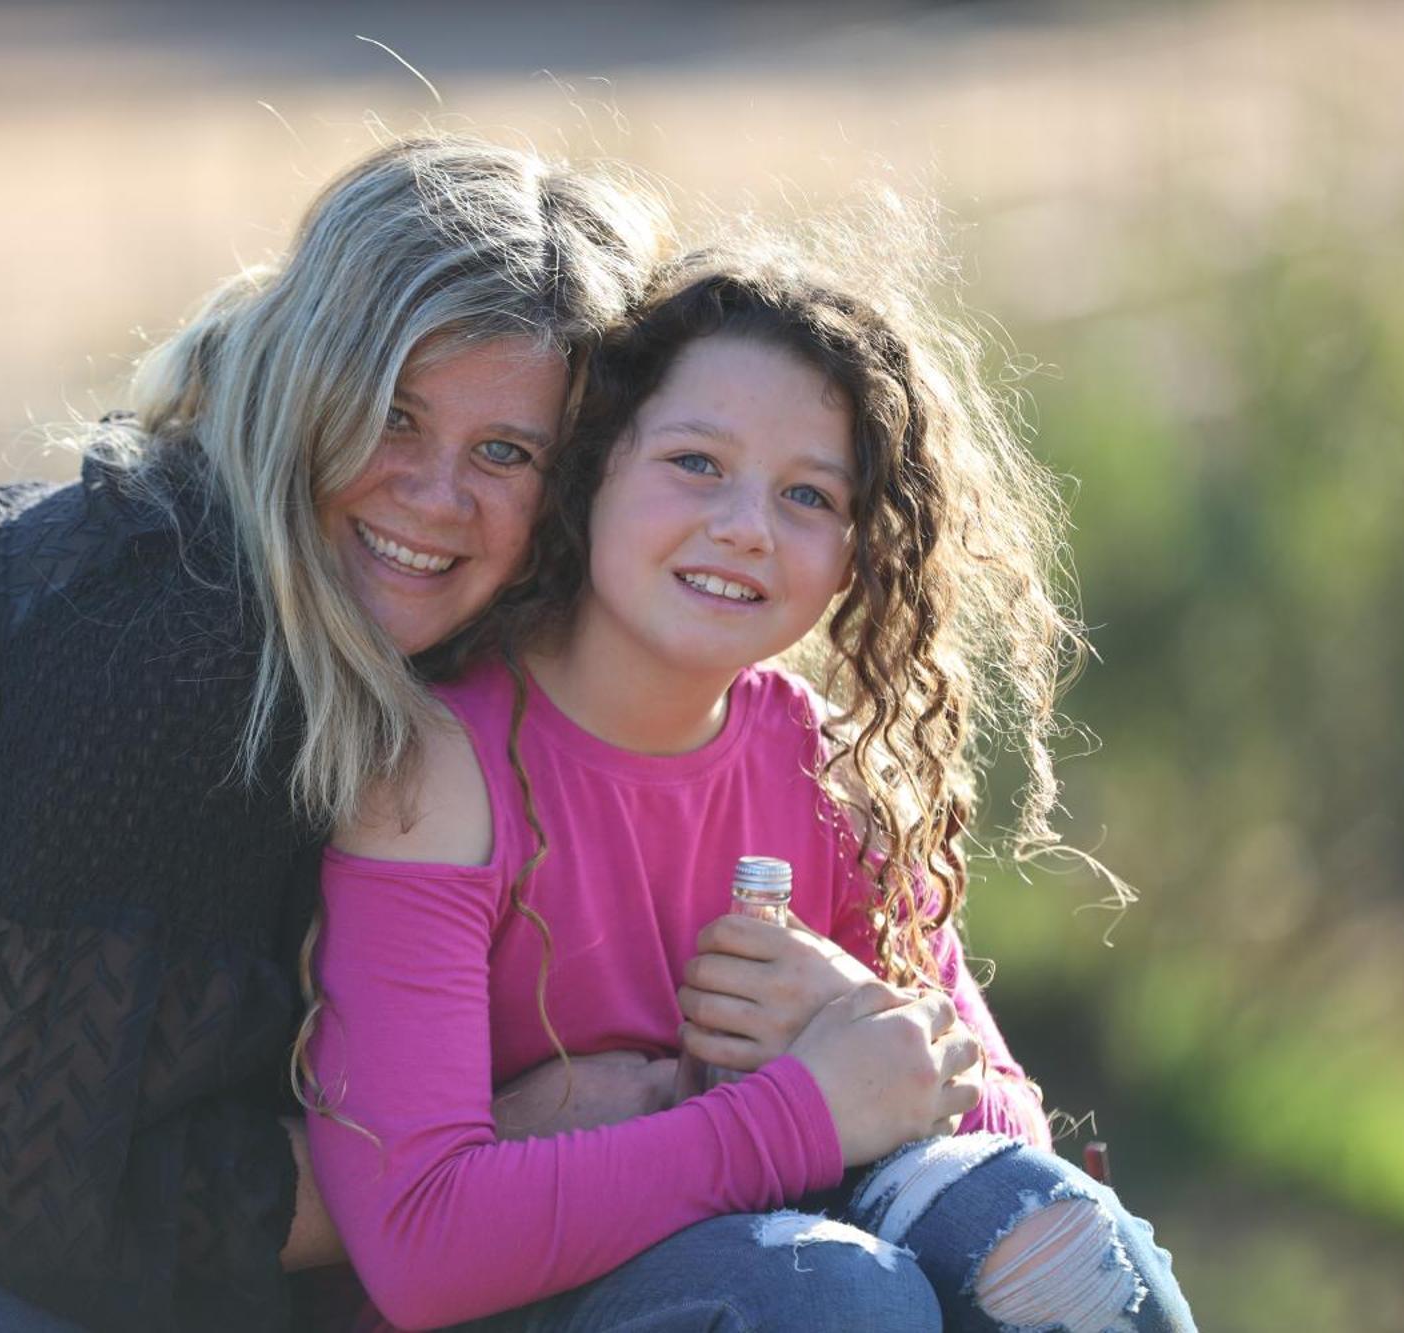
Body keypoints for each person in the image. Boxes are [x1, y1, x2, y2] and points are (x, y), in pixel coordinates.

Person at [0, 135, 671, 1332]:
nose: (436, 491)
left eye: (505, 453)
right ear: (299, 380)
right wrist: (510, 1138)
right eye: (389, 414)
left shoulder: (424, 656)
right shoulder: (170, 635)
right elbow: (41, 1207)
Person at [305, 250, 1197, 1331]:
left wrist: (847, 1016)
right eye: (694, 462)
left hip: (797, 1242)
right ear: (589, 474)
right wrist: (807, 1109)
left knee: (1064, 1245)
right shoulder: (438, 772)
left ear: (856, 554)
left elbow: (1014, 1145)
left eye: (807, 495)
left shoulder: (836, 773)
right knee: (827, 1297)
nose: (746, 527)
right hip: (523, 1303)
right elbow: (418, 1244)